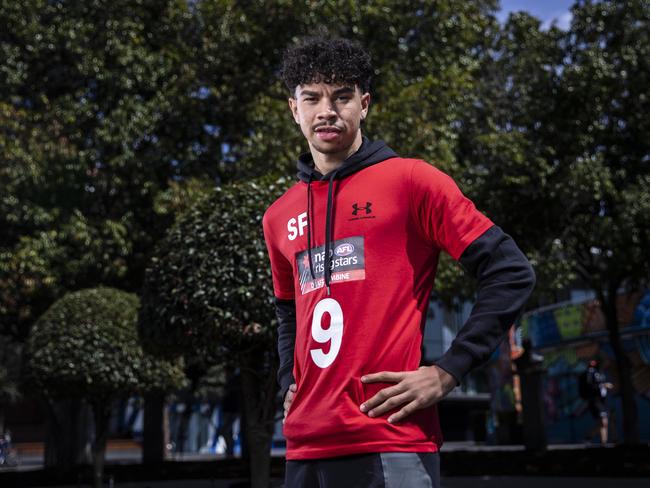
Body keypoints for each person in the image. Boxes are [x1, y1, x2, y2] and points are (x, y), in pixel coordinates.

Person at [262, 36, 536, 488]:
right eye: (311, 98)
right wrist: (289, 378)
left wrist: (448, 371)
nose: (326, 110)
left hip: (389, 436)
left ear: (364, 104)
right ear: (294, 109)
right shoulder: (279, 215)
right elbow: (288, 308)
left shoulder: (412, 181)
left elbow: (510, 272)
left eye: (342, 96)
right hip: (304, 444)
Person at [579, 359, 613, 444]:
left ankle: (603, 442)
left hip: (602, 401)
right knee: (603, 421)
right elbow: (589, 386)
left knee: (604, 422)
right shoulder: (591, 373)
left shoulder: (600, 372)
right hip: (595, 400)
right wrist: (603, 385)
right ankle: (588, 437)